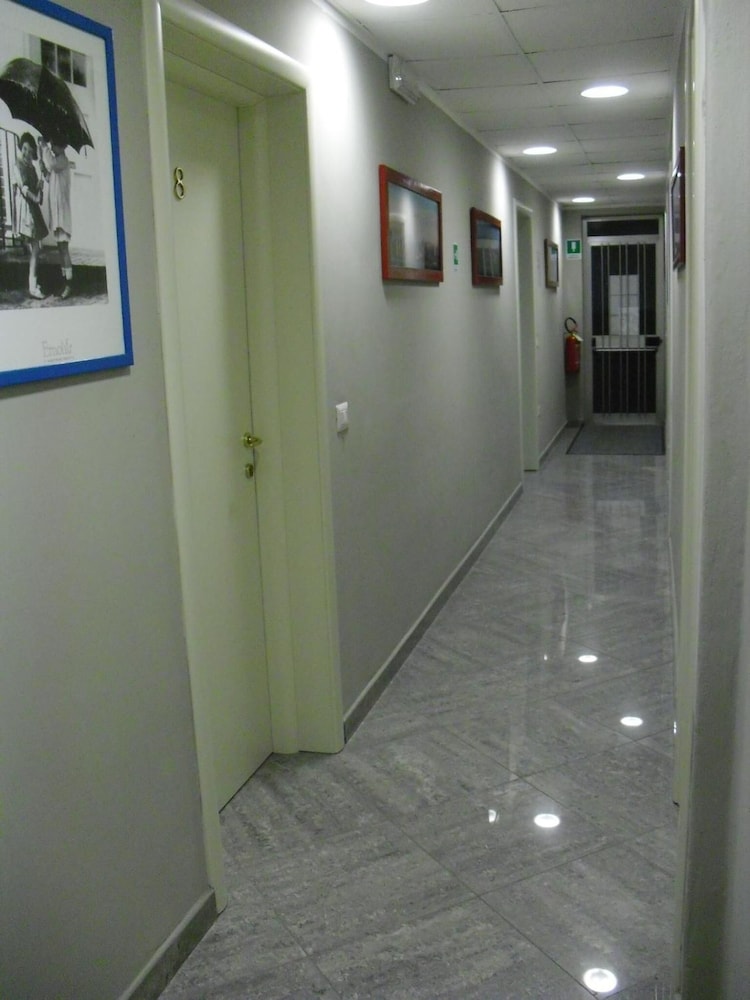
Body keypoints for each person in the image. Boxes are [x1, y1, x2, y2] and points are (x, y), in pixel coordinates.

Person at [12, 131, 48, 299]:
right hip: (26, 209)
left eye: (29, 149)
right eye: (24, 148)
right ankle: (33, 287)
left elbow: (37, 195)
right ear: (21, 148)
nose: (27, 152)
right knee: (35, 247)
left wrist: (40, 186)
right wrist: (35, 196)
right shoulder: (17, 165)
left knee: (36, 247)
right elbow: (24, 189)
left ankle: (33, 283)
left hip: (33, 207)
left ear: (33, 150)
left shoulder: (33, 167)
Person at [39, 135, 74, 299]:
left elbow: (52, 163)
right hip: (57, 214)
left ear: (62, 147)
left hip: (63, 214)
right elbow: (49, 177)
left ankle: (69, 284)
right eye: (51, 145)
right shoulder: (56, 164)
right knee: (60, 249)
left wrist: (44, 146)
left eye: (54, 145)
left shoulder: (62, 161)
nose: (52, 147)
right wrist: (42, 167)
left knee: (64, 249)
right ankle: (63, 280)